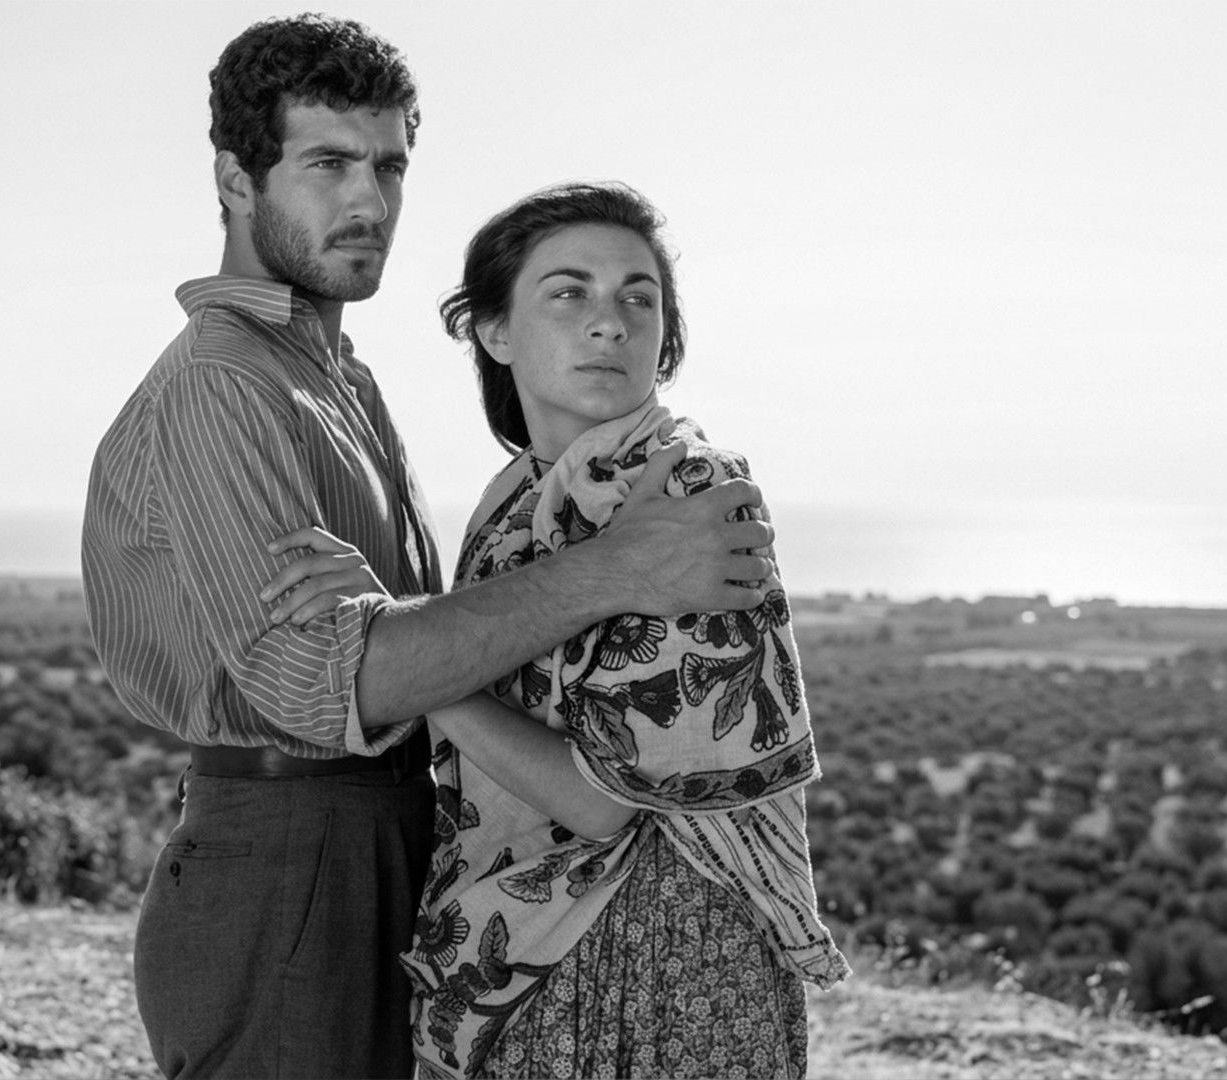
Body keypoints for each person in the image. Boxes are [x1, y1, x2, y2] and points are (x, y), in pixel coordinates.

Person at [79, 17, 775, 1080]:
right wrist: (618, 568)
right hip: (290, 861)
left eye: (389, 167)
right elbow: (328, 681)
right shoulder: (226, 386)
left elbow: (412, 644)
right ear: (235, 180)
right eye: (328, 164)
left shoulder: (340, 380)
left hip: (390, 842)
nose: (368, 201)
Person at [271, 182, 851, 1079]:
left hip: (670, 961)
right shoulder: (512, 501)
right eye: (569, 292)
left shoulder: (689, 489)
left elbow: (599, 802)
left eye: (638, 299)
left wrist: (404, 651)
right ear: (494, 331)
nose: (610, 322)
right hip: (518, 958)